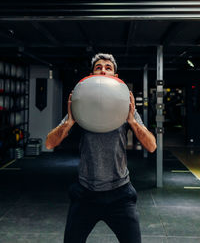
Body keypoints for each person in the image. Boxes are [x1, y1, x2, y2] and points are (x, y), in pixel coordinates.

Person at [45, 53, 157, 243]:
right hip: (85, 192)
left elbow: (152, 146)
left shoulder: (125, 108)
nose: (103, 70)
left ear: (115, 76)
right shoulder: (81, 107)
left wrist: (132, 121)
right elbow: (49, 143)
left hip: (120, 193)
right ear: (92, 75)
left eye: (108, 67)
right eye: (98, 67)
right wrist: (70, 122)